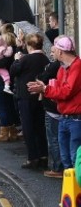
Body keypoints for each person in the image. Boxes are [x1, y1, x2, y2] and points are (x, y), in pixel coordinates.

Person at [28, 35, 81, 171]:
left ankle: (77, 190)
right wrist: (44, 89)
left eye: (55, 49)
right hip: (64, 117)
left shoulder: (77, 67)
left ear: (61, 52)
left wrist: (45, 89)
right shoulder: (63, 68)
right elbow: (58, 90)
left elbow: (66, 91)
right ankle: (69, 191)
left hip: (76, 119)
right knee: (66, 158)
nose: (52, 52)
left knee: (75, 158)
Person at [10, 33, 50, 169]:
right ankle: (43, 156)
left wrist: (16, 59)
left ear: (29, 45)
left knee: (28, 128)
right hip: (40, 96)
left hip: (26, 97)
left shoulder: (25, 59)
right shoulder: (45, 59)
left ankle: (33, 158)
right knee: (40, 127)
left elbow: (13, 71)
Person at [38, 50, 63, 178]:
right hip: (60, 108)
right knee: (61, 139)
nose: (52, 54)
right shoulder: (65, 66)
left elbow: (41, 78)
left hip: (53, 109)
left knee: (53, 139)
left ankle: (57, 168)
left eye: (54, 51)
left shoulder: (55, 65)